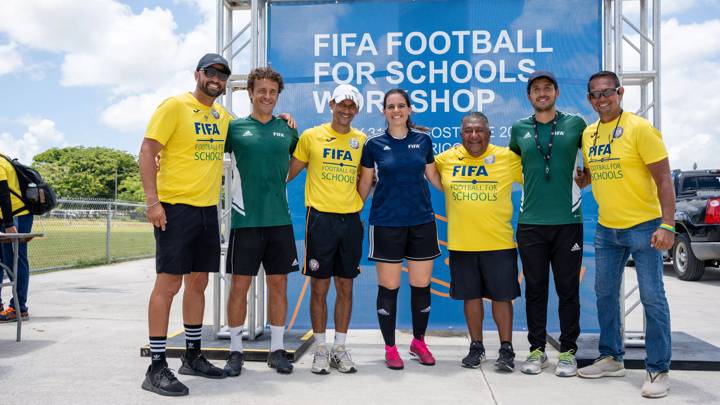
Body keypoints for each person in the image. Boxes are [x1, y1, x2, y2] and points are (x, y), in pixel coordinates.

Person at [576, 70, 675, 399]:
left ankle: (658, 369)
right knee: (604, 293)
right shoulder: (589, 134)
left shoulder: (640, 129)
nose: (602, 99)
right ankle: (611, 357)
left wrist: (668, 224)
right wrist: (584, 180)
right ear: (589, 99)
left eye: (607, 93)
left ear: (619, 93)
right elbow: (595, 172)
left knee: (652, 297)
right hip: (607, 227)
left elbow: (664, 179)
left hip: (645, 227)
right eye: (595, 95)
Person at [139, 53, 232, 396]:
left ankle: (192, 355)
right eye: (211, 73)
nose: (216, 79)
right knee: (168, 284)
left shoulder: (222, 116)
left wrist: (283, 118)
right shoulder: (174, 106)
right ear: (198, 74)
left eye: (222, 76)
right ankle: (157, 365)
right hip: (174, 208)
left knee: (199, 282)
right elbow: (148, 151)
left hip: (208, 210)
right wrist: (153, 201)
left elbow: (253, 129)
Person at [509, 70, 587, 377]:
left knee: (568, 289)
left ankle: (567, 352)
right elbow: (513, 164)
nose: (542, 93)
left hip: (568, 220)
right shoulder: (519, 129)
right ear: (529, 96)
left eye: (547, 88)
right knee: (535, 289)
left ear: (556, 92)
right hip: (530, 222)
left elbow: (592, 162)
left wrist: (587, 179)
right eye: (536, 89)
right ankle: (537, 350)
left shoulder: (576, 124)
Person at [222, 66, 299, 377]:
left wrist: (281, 179)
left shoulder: (288, 130)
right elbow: (204, 152)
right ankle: (236, 351)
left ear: (277, 95)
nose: (267, 96)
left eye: (272, 92)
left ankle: (277, 349)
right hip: (245, 221)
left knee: (278, 285)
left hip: (279, 221)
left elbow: (299, 161)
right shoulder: (235, 128)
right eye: (261, 91)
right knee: (239, 286)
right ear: (250, 93)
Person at [432, 112, 523, 372]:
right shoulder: (447, 158)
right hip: (462, 244)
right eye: (468, 131)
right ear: (461, 135)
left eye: (479, 130)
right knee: (470, 298)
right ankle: (477, 347)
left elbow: (539, 176)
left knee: (502, 298)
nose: (474, 135)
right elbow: (421, 165)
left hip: (499, 243)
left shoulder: (507, 158)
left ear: (489, 132)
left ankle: (506, 349)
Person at [358, 88, 439, 370]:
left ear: (409, 109)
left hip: (421, 222)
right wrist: (351, 211)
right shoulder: (373, 144)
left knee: (421, 286)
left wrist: (463, 192)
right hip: (386, 224)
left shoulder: (423, 141)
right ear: (384, 111)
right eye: (390, 106)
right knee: (389, 287)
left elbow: (435, 178)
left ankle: (418, 342)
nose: (396, 111)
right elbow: (365, 184)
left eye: (401, 106)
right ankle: (390, 348)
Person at [287, 84, 366, 375]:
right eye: (342, 104)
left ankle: (339, 349)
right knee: (320, 287)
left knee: (346, 286)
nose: (346, 110)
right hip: (319, 220)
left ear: (356, 111)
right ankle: (320, 349)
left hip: (350, 222)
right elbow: (288, 172)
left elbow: (365, 178)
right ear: (331, 104)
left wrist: (357, 202)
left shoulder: (361, 141)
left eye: (352, 107)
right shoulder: (311, 136)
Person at [0, 154, 34, 323]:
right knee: (2, 261)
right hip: (5, 217)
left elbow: (3, 193)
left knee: (14, 259)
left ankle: (19, 308)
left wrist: (8, 223)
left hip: (16, 217)